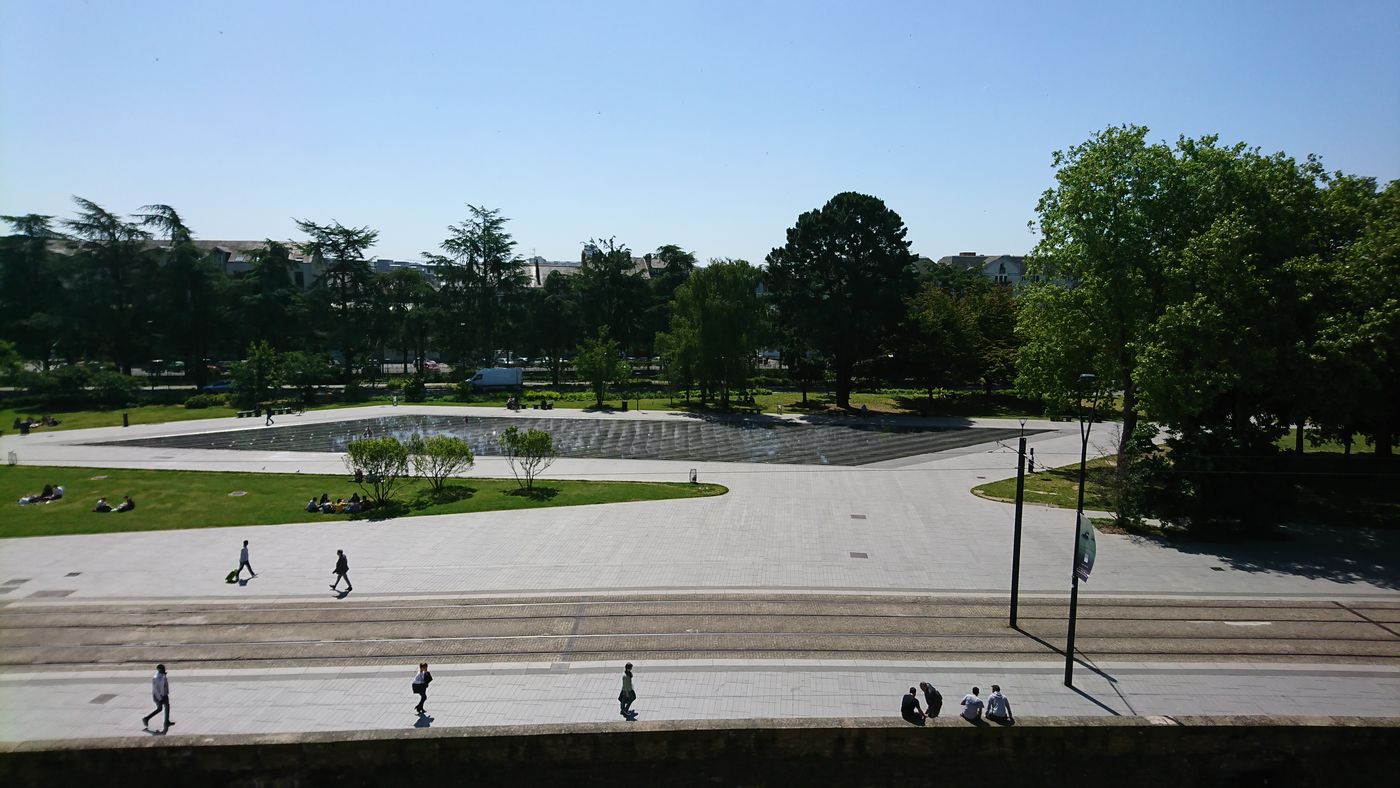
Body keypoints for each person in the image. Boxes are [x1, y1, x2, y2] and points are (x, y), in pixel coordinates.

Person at [141, 664, 172, 729]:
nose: (164, 670)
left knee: (167, 706)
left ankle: (166, 722)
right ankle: (146, 719)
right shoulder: (156, 678)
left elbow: (165, 685)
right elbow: (155, 690)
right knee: (159, 709)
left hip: (164, 694)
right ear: (160, 670)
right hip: (158, 696)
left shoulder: (163, 675)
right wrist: (160, 698)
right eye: (163, 669)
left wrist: (166, 692)